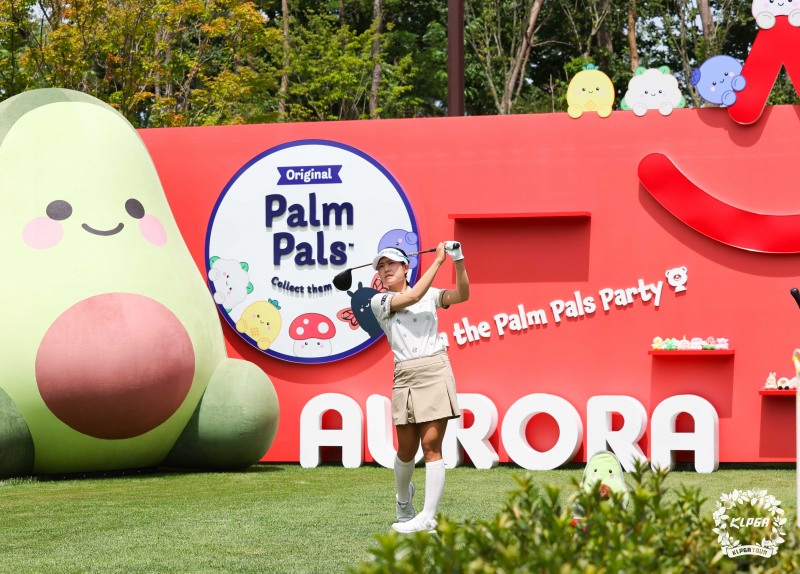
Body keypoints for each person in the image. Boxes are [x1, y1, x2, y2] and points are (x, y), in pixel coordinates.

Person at [369, 241, 470, 534]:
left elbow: (463, 294)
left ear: (406, 267)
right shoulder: (381, 302)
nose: (385, 270)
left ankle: (428, 516)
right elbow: (413, 296)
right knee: (406, 450)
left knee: (431, 446)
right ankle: (404, 500)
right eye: (381, 266)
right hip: (405, 375)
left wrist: (458, 259)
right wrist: (438, 262)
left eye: (391, 264)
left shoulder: (432, 296)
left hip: (436, 370)